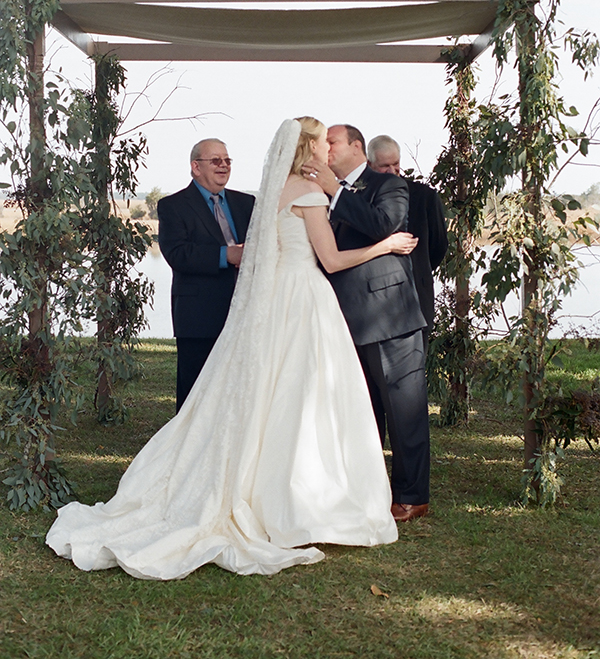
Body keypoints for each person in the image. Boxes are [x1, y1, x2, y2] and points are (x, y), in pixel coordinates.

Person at [46, 117, 409, 579]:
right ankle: (299, 500)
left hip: (274, 301)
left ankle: (259, 485)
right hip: (304, 298)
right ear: (309, 146)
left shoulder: (272, 193)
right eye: (322, 142)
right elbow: (333, 260)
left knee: (275, 392)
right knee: (304, 394)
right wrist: (385, 245)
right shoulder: (309, 193)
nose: (327, 150)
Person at [303, 124, 430, 523]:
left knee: (404, 411)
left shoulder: (387, 185)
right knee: (363, 410)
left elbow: (384, 225)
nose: (325, 148)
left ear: (356, 146)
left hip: (389, 316)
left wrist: (335, 191)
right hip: (342, 318)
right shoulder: (322, 193)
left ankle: (412, 496)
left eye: (332, 142)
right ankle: (367, 489)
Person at [157, 138, 255, 412]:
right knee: (195, 397)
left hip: (245, 312)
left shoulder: (247, 203)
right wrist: (226, 255)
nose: (223, 165)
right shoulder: (173, 205)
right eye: (215, 160)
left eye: (227, 160)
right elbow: (177, 254)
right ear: (196, 167)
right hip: (198, 317)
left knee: (239, 393)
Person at [367, 134, 448, 341]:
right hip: (373, 308)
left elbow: (438, 246)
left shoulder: (425, 197)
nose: (392, 171)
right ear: (369, 165)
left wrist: (419, 269)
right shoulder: (362, 199)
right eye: (385, 166)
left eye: (395, 164)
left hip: (417, 298)